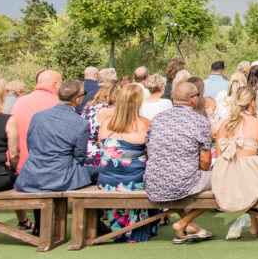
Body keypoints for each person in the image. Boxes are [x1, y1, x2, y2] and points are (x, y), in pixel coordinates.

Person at [144, 80, 215, 244]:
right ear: (194, 99)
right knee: (224, 180)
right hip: (181, 182)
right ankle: (183, 222)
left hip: (154, 180)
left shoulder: (157, 119)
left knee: (177, 180)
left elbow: (150, 153)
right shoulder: (200, 121)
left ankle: (191, 225)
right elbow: (205, 162)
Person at [96, 84, 158, 243]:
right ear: (139, 103)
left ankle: (121, 227)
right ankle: (136, 226)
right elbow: (152, 156)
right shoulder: (145, 124)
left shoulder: (106, 123)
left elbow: (102, 149)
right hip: (133, 182)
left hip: (106, 182)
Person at [212, 86, 258, 236]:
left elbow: (220, 156)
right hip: (248, 174)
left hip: (227, 176)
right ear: (252, 103)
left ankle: (254, 224)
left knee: (251, 179)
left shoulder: (224, 124)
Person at [15, 79, 96, 193]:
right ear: (77, 99)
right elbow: (79, 157)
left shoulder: (37, 116)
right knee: (100, 171)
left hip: (32, 174)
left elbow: (31, 144)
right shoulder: (81, 123)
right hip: (60, 178)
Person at [10, 69, 61, 173]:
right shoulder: (58, 103)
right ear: (55, 85)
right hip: (45, 168)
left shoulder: (20, 101)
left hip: (18, 165)